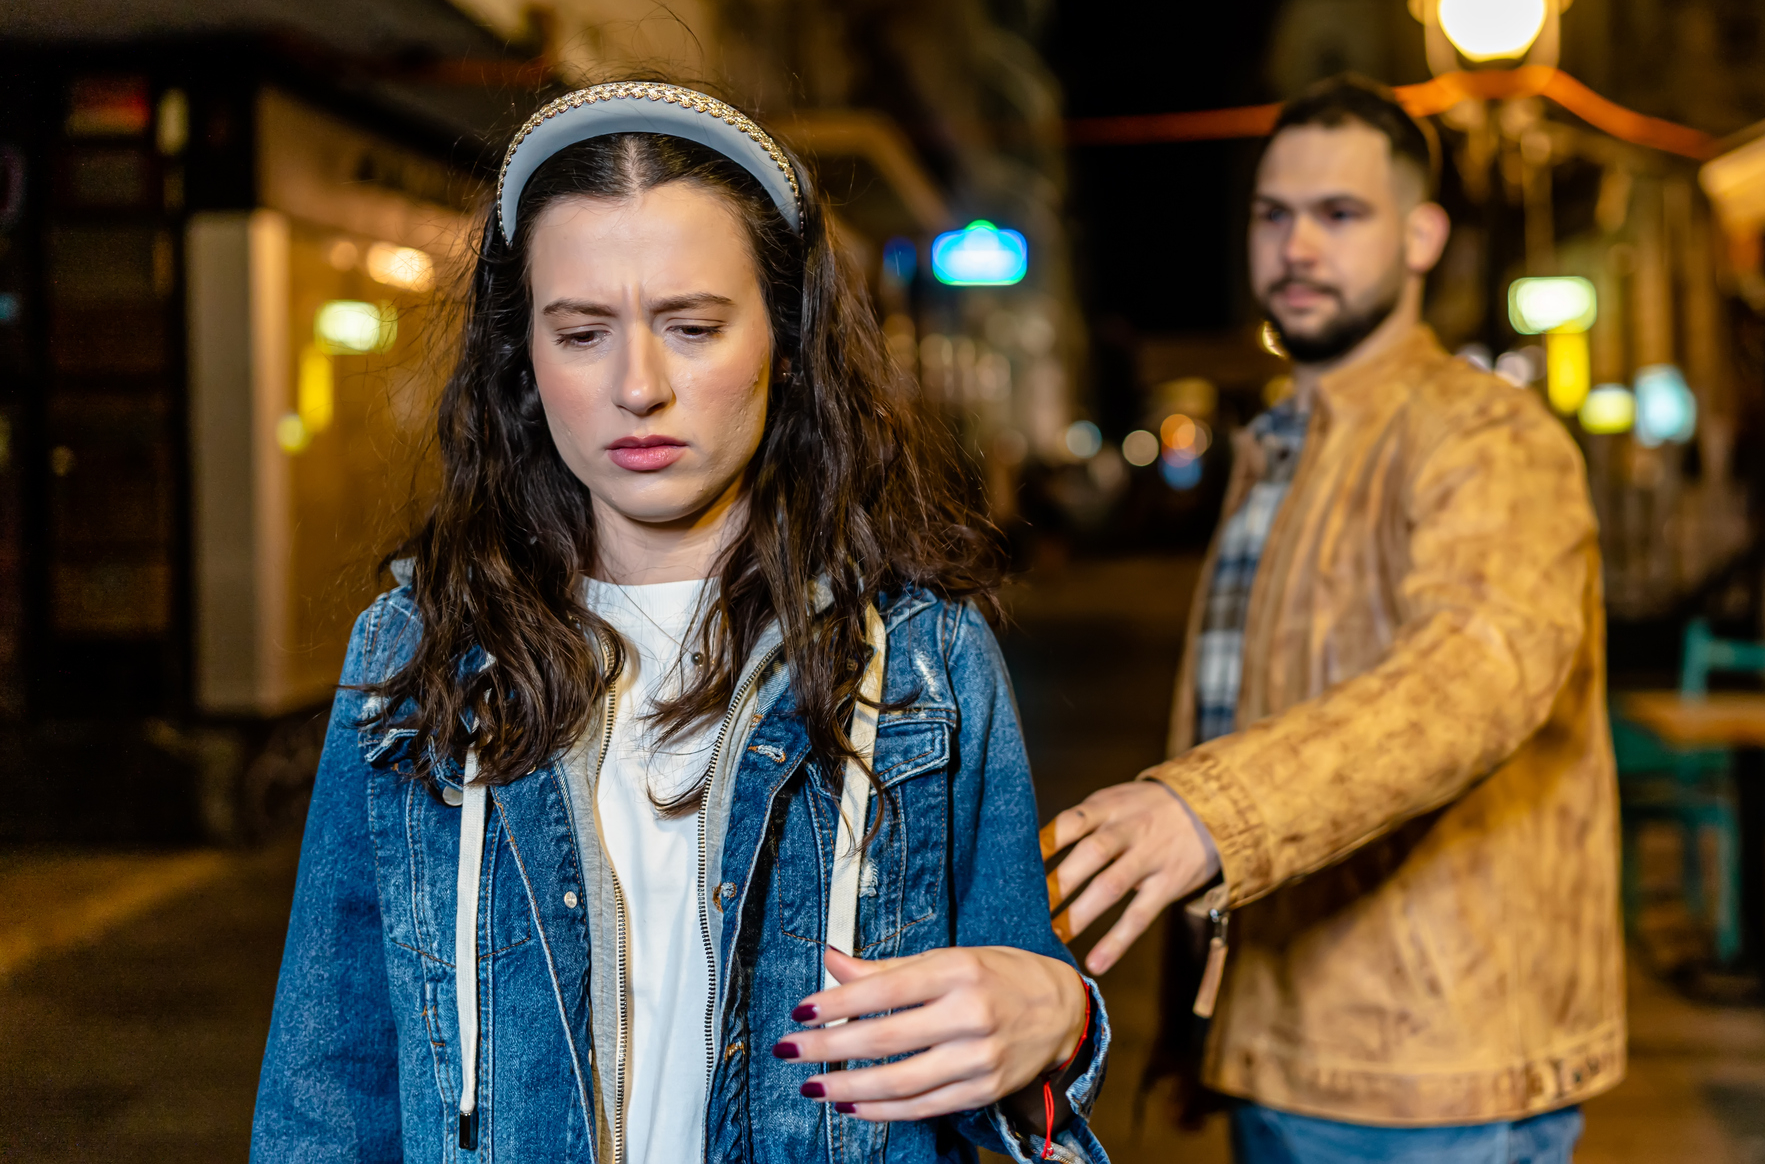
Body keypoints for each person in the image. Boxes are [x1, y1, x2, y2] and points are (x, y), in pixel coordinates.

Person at [252, 81, 1110, 1164]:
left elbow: (1008, 1086)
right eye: (582, 332)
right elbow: (327, 1093)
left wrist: (1064, 1023)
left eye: (692, 326)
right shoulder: (416, 651)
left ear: (786, 341)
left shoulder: (927, 661)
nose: (638, 386)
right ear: (525, 360)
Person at [1044, 75, 1621, 1163]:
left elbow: (1479, 666)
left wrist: (1207, 812)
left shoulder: (1483, 436)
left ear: (1422, 234)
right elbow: (1233, 709)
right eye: (1273, 214)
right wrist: (1200, 1026)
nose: (1297, 244)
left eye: (1339, 214)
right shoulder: (1278, 447)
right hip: (1285, 1047)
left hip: (1440, 1078)